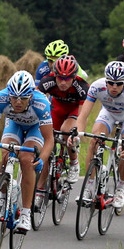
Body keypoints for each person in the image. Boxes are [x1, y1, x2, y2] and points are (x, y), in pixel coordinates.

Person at [0, 71, 53, 233]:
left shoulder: (41, 102)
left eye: (23, 99)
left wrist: (42, 159)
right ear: (9, 94)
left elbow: (49, 140)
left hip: (35, 128)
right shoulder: (2, 97)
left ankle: (25, 212)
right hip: (14, 125)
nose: (18, 102)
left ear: (31, 97)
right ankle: (2, 198)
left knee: (26, 159)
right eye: (14, 98)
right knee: (6, 154)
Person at [76, 61, 124, 210]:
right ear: (106, 80)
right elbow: (83, 116)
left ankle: (121, 188)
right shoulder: (97, 86)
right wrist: (77, 135)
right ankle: (89, 187)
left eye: (118, 84)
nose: (114, 87)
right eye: (110, 83)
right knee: (95, 139)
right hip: (108, 113)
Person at [36, 54, 89, 206]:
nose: (63, 82)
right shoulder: (48, 81)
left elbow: (83, 116)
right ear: (54, 75)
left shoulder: (82, 86)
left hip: (73, 111)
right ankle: (40, 191)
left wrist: (77, 134)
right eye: (59, 78)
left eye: (67, 79)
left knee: (67, 131)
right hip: (57, 109)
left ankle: (73, 162)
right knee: (47, 145)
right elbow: (36, 102)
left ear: (74, 77)